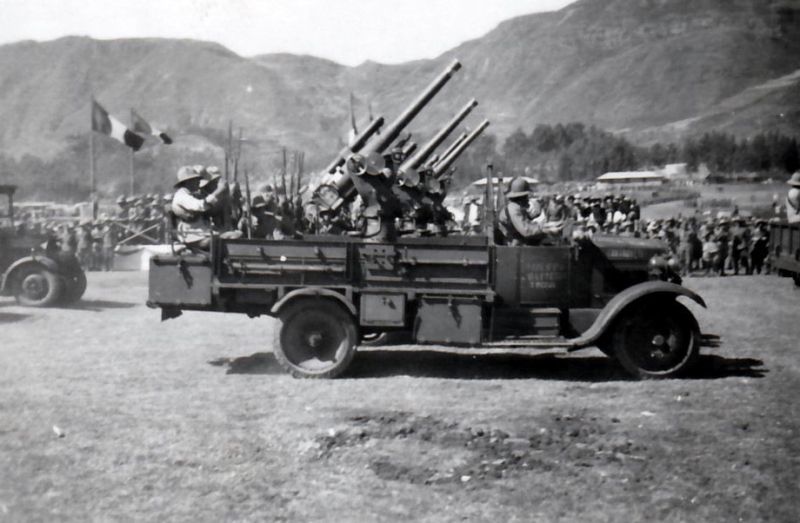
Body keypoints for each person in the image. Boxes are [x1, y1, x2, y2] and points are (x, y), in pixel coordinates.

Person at [171, 166, 240, 248]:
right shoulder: (182, 196)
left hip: (201, 232)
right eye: (196, 180)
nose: (199, 182)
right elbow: (201, 206)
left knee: (237, 235)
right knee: (221, 241)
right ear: (188, 181)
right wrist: (219, 191)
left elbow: (210, 210)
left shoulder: (190, 194)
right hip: (192, 236)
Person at [497, 177, 563, 246]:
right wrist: (545, 230)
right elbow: (526, 231)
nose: (528, 199)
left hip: (515, 240)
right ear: (521, 197)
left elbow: (526, 224)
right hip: (510, 244)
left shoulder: (516, 207)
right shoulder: (514, 208)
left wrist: (546, 225)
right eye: (526, 196)